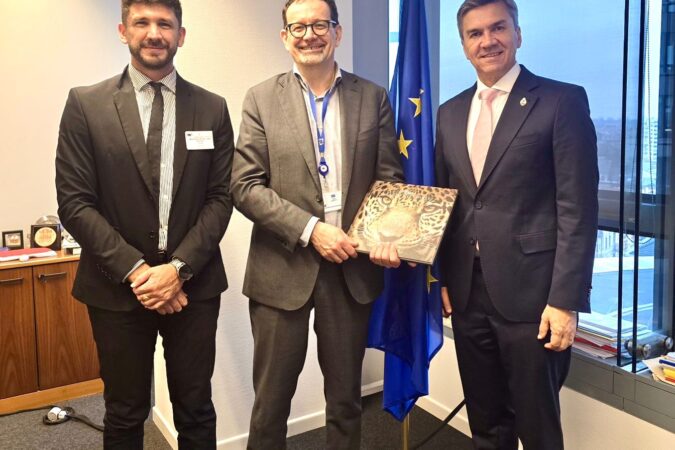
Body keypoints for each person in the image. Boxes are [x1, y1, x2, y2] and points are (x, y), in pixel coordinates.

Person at [55, 0, 234, 448]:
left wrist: (177, 270)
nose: (154, 33)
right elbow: (75, 203)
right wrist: (139, 272)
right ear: (123, 31)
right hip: (115, 288)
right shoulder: (86, 104)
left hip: (193, 287)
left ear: (181, 35)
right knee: (124, 412)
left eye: (165, 24)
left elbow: (221, 198)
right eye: (142, 22)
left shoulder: (212, 108)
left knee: (196, 409)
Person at [230, 0, 403, 447]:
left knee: (346, 402)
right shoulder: (261, 99)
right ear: (285, 37)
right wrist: (311, 229)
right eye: (299, 27)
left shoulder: (373, 97)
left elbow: (389, 181)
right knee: (271, 404)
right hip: (280, 270)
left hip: (351, 272)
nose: (310, 35)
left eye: (320, 25)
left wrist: (386, 236)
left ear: (337, 32)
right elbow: (245, 186)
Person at [435, 0, 598, 449]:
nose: (488, 41)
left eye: (498, 28)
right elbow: (449, 204)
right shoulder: (449, 113)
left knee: (538, 428)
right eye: (475, 33)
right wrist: (442, 277)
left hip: (535, 299)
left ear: (518, 34)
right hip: (468, 294)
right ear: (463, 45)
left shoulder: (561, 101)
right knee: (486, 423)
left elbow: (577, 209)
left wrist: (565, 301)